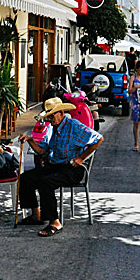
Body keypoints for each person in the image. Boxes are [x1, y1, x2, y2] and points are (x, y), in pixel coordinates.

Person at [18, 98, 103, 237]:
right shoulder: (51, 128)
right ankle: (36, 214)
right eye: (48, 116)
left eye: (52, 116)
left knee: (46, 182)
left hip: (72, 168)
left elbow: (98, 139)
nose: (50, 119)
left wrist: (81, 158)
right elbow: (41, 151)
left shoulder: (73, 125)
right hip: (55, 166)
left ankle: (55, 222)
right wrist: (31, 140)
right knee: (26, 178)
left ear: (61, 113)